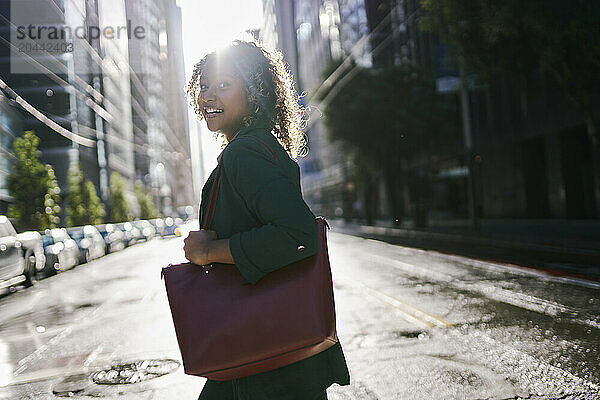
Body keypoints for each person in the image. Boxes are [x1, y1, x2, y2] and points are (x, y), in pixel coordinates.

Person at [183, 39, 350, 400]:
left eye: (225, 84)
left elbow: (296, 234)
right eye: (205, 86)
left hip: (266, 358)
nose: (209, 95)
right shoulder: (250, 147)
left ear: (255, 91)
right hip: (266, 346)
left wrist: (210, 251)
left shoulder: (245, 153)